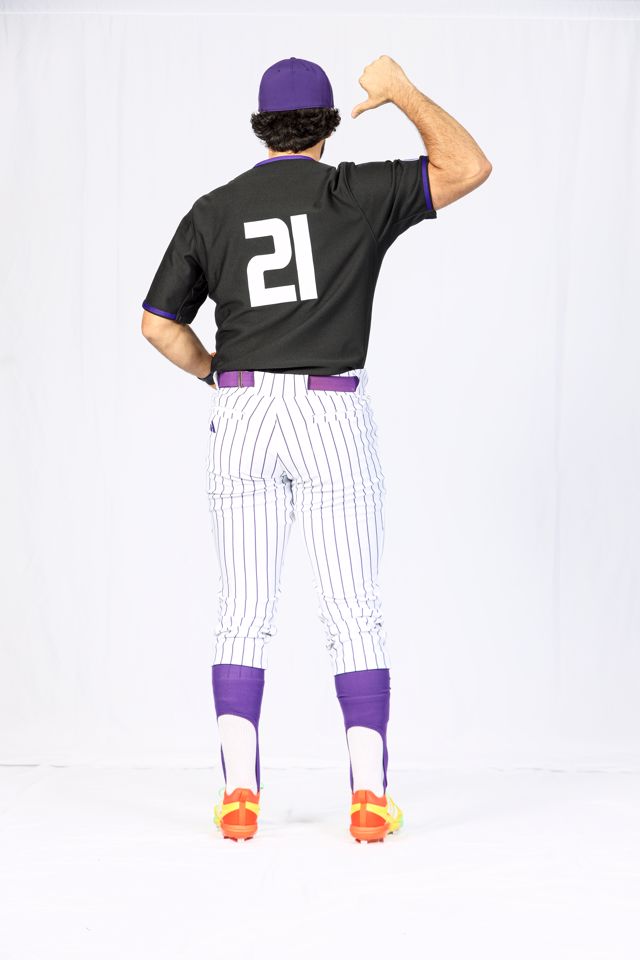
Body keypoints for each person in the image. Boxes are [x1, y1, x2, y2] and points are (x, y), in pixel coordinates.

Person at [141, 54, 492, 843]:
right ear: (328, 126)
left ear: (261, 128)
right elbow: (468, 166)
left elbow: (158, 324)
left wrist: (217, 376)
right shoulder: (355, 194)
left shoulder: (213, 209)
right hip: (330, 410)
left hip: (242, 410)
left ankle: (239, 797)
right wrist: (403, 93)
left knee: (242, 612)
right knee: (353, 610)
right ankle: (368, 800)